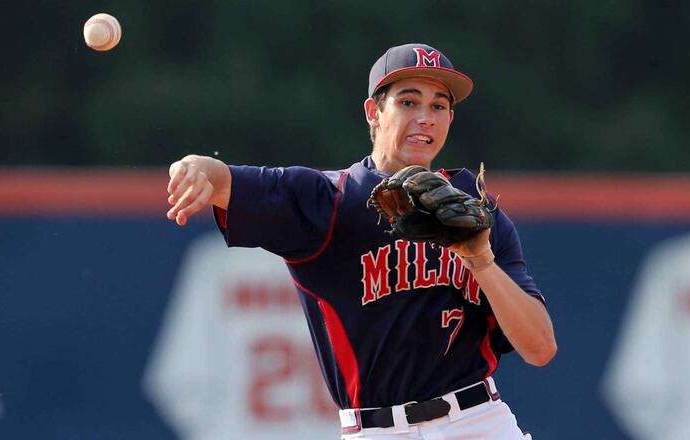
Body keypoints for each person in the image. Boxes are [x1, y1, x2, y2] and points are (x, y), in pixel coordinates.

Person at [166, 43, 556, 439]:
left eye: (438, 107)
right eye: (408, 102)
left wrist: (482, 262)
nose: (425, 118)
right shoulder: (328, 202)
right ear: (374, 112)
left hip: (477, 422)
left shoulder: (477, 212)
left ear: (450, 119)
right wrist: (193, 169)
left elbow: (540, 348)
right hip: (376, 431)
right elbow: (223, 177)